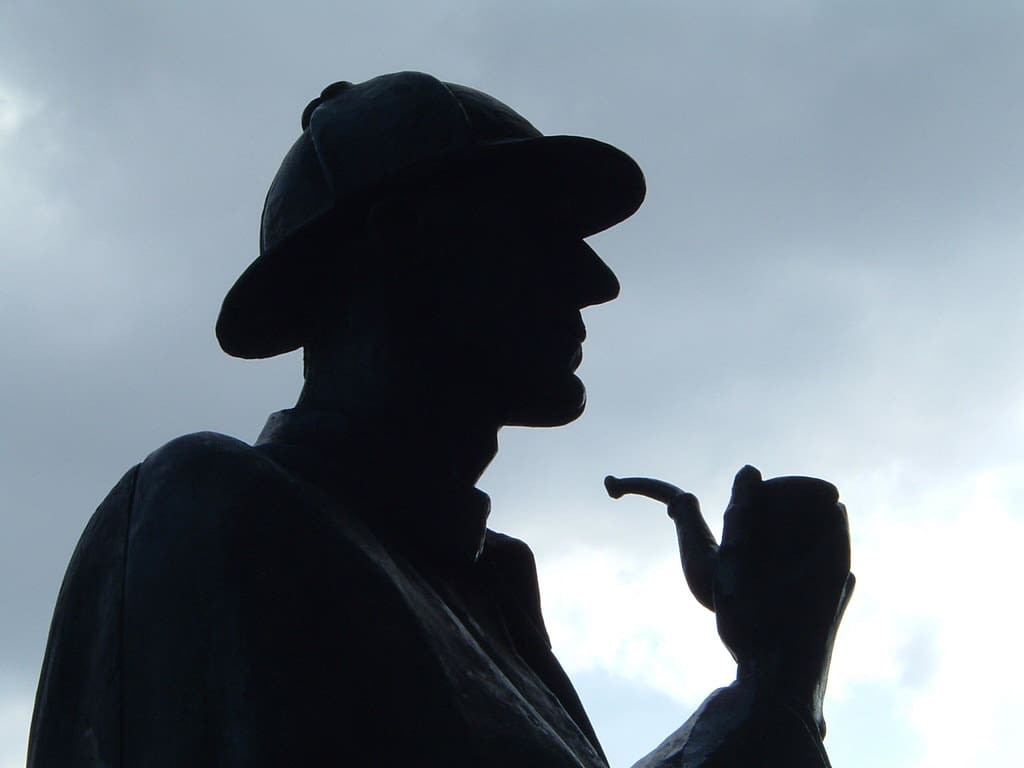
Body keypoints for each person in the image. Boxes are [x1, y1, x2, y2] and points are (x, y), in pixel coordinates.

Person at [28, 71, 851, 767]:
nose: (598, 281)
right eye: (541, 230)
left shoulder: (493, 598)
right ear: (407, 243)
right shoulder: (214, 511)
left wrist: (773, 682)